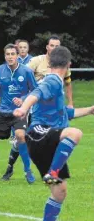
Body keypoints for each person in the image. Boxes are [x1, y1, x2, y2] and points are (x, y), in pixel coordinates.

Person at [13, 46, 94, 221]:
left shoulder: (55, 83)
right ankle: (53, 172)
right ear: (69, 64)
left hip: (45, 144)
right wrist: (23, 109)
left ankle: (53, 173)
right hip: (40, 135)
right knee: (75, 133)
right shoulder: (54, 81)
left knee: (59, 192)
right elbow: (36, 93)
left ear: (50, 61)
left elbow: (64, 112)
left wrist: (89, 110)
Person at [0, 44, 37, 185]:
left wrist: (23, 99)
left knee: (20, 136)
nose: (10, 57)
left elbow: (35, 91)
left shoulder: (26, 71)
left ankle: (27, 170)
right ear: (4, 55)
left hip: (19, 112)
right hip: (3, 112)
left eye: (13, 54)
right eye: (8, 54)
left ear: (17, 55)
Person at [2, 39, 33, 180]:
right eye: (20, 47)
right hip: (21, 107)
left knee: (42, 138)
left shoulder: (36, 61)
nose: (22, 49)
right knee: (21, 138)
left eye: (24, 47)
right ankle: (10, 168)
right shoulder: (12, 63)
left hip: (37, 106)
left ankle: (52, 170)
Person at [27, 35, 73, 108]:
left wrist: (70, 103)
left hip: (56, 103)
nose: (54, 49)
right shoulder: (36, 61)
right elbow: (24, 79)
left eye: (57, 46)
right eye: (52, 45)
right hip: (37, 103)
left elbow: (68, 83)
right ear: (47, 47)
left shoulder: (64, 64)